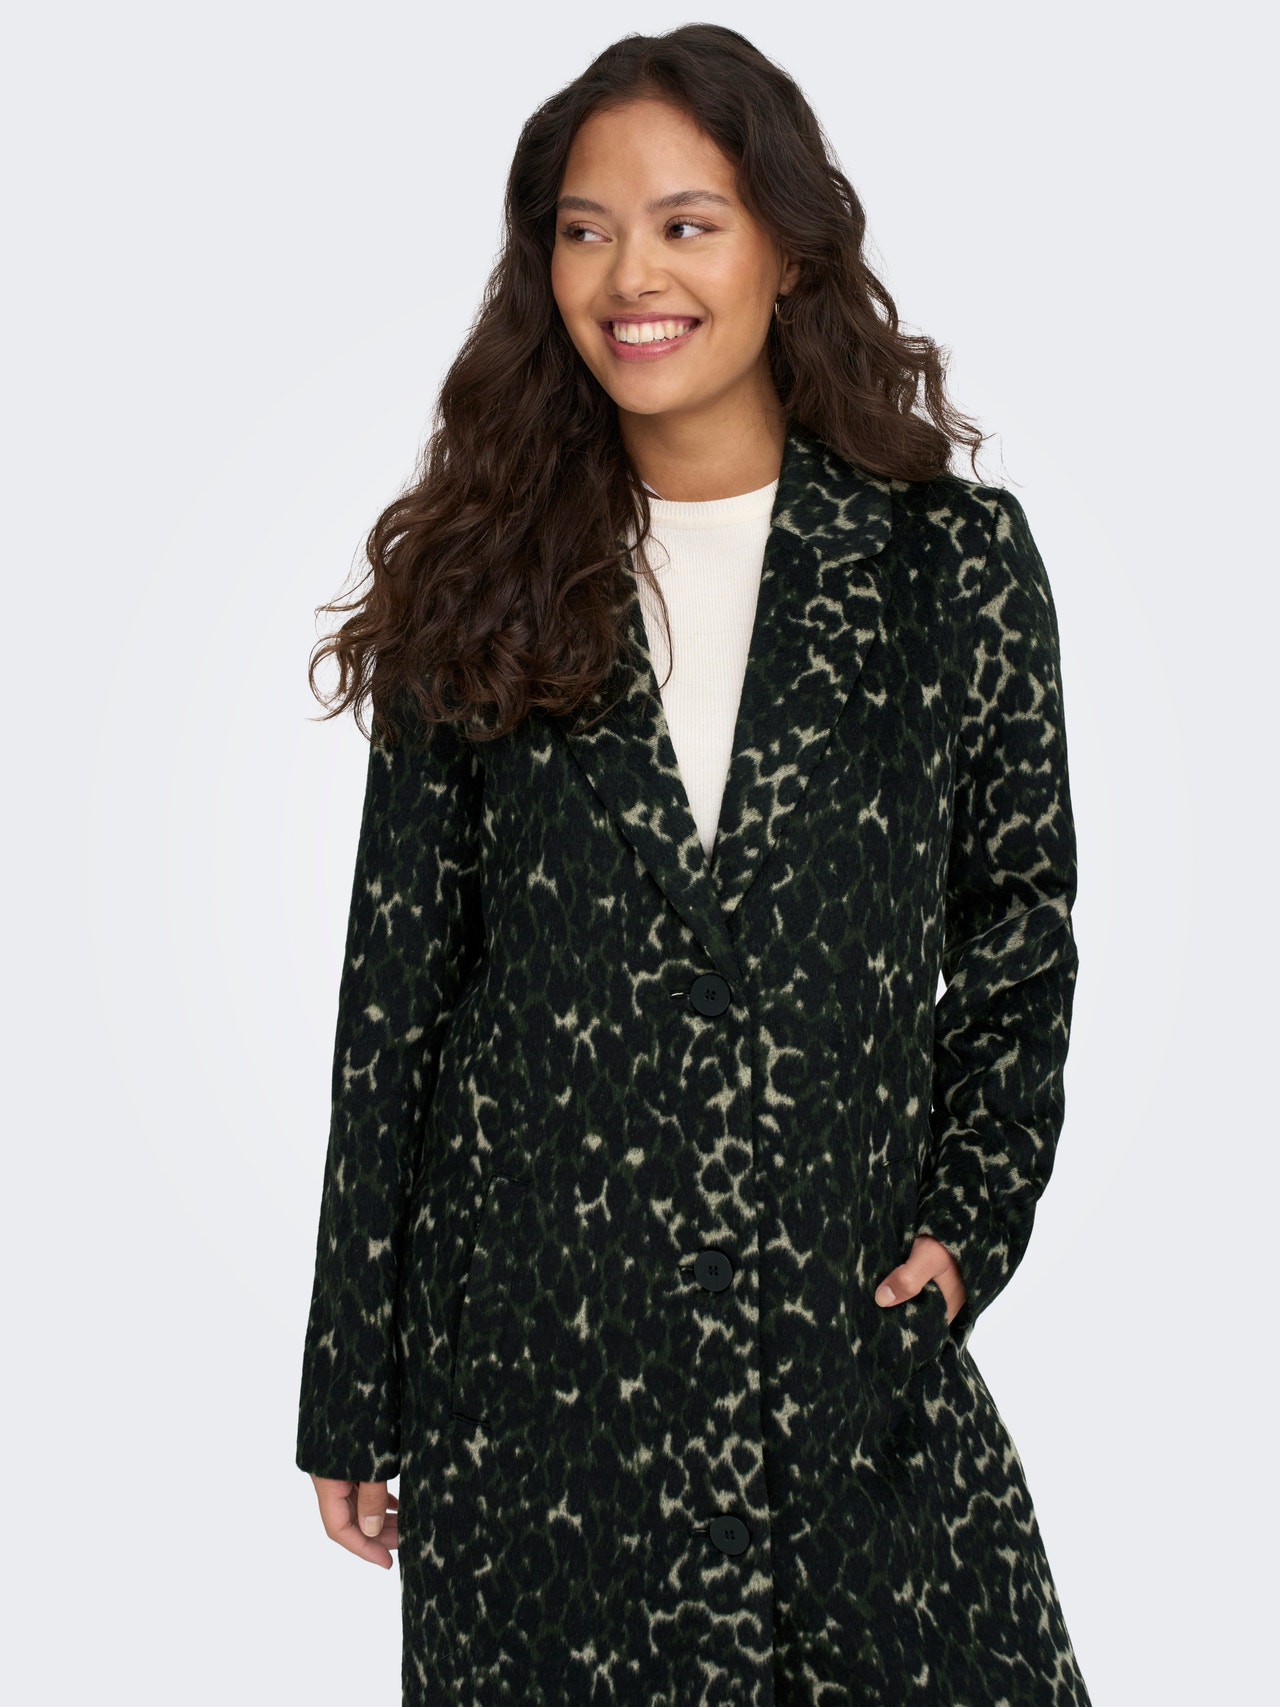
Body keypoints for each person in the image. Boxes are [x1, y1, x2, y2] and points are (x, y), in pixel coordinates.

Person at [295, 23, 1092, 1706]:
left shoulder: (949, 566)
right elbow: (397, 999)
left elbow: (1019, 933)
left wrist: (967, 1226)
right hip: (535, 1389)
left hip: (843, 1364)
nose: (629, 276)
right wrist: (351, 1386)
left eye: (686, 223)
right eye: (584, 230)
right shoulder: (481, 580)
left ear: (786, 249)